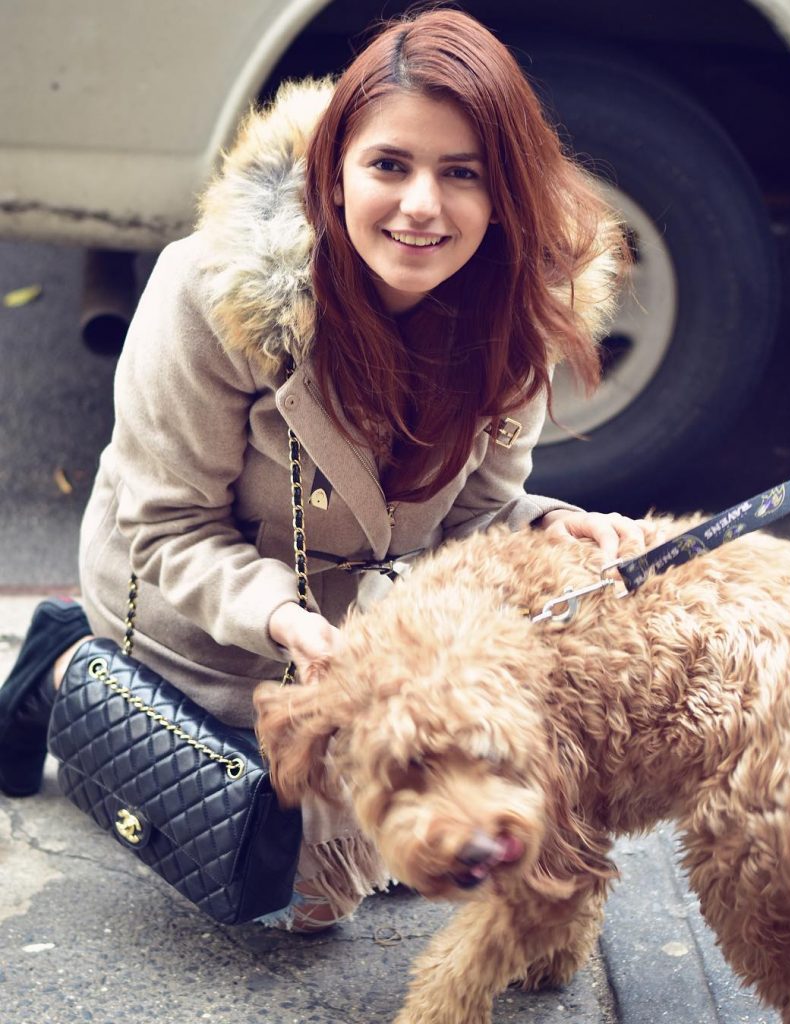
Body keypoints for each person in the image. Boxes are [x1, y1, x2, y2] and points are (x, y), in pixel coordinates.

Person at [0, 8, 647, 931]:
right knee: (277, 886)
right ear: (334, 175)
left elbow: (470, 519)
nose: (421, 205)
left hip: (348, 642)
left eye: (461, 174)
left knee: (333, 889)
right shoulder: (208, 290)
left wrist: (545, 525)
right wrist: (285, 624)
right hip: (201, 617)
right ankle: (67, 663)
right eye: (390, 166)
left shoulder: (516, 318)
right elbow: (166, 523)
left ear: (505, 194)